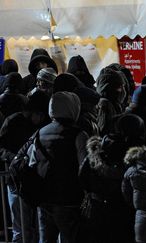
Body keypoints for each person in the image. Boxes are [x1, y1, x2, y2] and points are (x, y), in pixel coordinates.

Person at [36, 91, 88, 243]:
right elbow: (84, 167)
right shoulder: (79, 134)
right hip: (69, 198)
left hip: (45, 197)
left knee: (46, 238)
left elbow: (34, 163)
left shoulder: (40, 133)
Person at [0, 90, 50, 243]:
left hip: (35, 180)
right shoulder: (13, 121)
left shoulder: (43, 123)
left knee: (36, 225)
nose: (40, 118)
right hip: (15, 178)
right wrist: (15, 159)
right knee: (20, 226)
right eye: (38, 114)